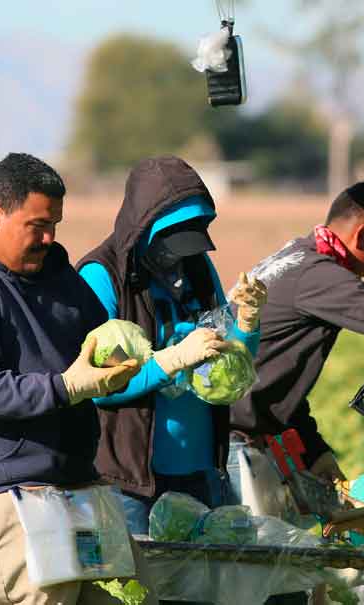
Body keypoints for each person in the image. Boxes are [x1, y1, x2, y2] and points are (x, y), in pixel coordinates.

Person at [0, 153, 152, 605]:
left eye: (55, 226)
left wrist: (121, 366)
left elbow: (99, 340)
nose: (49, 238)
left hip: (79, 489)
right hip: (13, 503)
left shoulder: (58, 278)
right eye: (38, 225)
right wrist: (69, 386)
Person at [77, 155, 266, 535]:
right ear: (144, 228)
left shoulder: (197, 267)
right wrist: (173, 360)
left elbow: (227, 364)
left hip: (201, 473)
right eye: (172, 243)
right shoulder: (102, 276)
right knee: (143, 589)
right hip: (132, 485)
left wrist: (247, 324)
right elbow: (96, 387)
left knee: (203, 587)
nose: (180, 256)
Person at [229, 182, 364, 491]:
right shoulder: (315, 274)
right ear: (362, 235)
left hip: (236, 428)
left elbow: (274, 373)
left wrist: (315, 450)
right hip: (233, 442)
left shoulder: (295, 255)